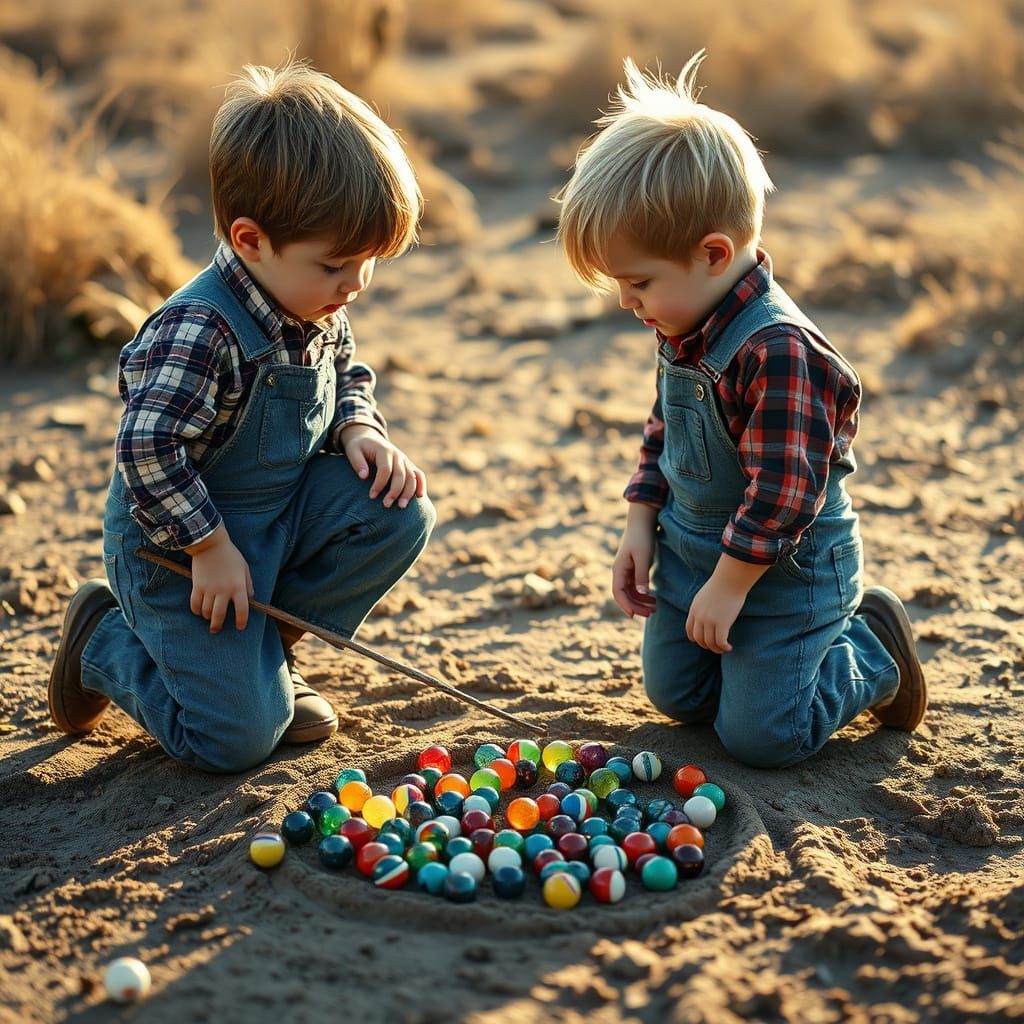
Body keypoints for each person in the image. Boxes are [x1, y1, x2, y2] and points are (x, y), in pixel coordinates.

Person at [48, 60, 435, 773]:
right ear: (251, 240)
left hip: (272, 525)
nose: (355, 285)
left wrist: (359, 426)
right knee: (234, 742)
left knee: (397, 511)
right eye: (337, 264)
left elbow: (344, 366)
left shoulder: (309, 297)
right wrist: (205, 547)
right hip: (177, 551)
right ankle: (105, 641)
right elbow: (148, 451)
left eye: (370, 262)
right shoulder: (202, 329)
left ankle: (261, 658)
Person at [557, 53, 926, 768]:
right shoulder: (685, 320)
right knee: (678, 698)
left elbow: (786, 496)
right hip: (695, 558)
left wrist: (730, 588)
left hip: (783, 576)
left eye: (636, 283)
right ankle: (752, 669)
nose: (625, 303)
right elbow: (664, 428)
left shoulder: (780, 352)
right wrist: (640, 522)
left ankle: (873, 649)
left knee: (764, 737)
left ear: (714, 252)